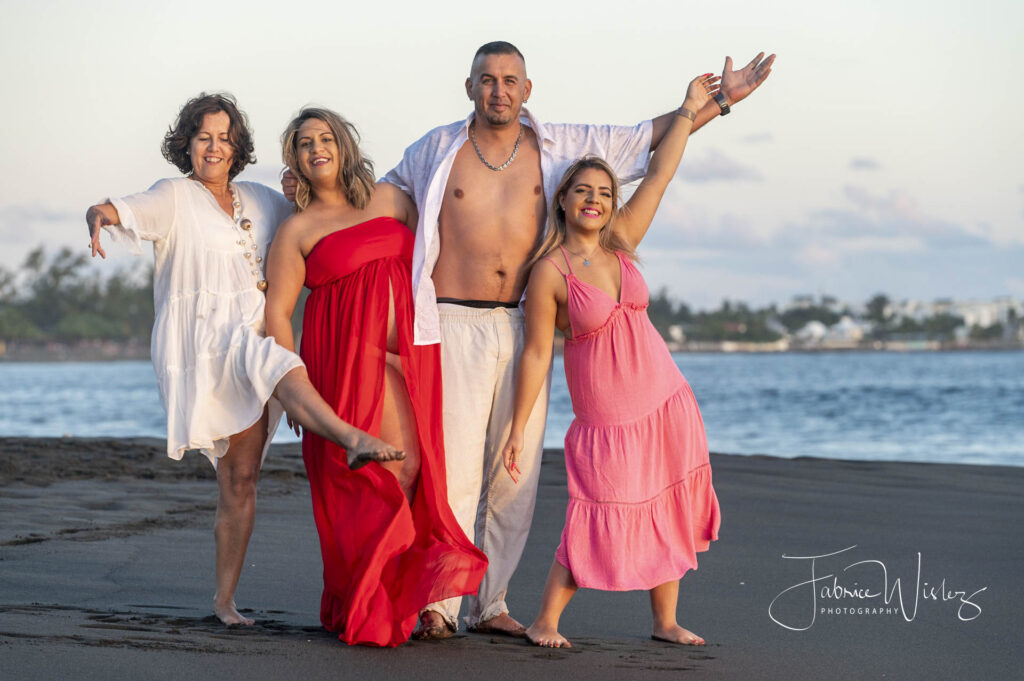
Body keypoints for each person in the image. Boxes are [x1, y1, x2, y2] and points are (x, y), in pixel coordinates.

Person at [284, 41, 773, 637]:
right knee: (455, 469)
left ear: (527, 89)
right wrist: (309, 193)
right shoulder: (435, 150)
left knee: (514, 475)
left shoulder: (561, 145)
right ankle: (440, 605)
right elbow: (371, 204)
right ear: (469, 88)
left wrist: (718, 102)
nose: (499, 91)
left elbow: (649, 140)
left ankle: (491, 605)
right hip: (453, 322)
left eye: (510, 80)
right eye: (487, 80)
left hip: (523, 322)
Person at [86, 93, 401, 627]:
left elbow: (317, 221)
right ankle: (349, 438)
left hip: (253, 336)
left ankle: (225, 600)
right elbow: (121, 209)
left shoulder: (260, 198)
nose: (214, 146)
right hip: (209, 345)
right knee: (247, 448)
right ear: (187, 144)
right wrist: (98, 217)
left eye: (224, 137)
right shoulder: (175, 196)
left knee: (245, 477)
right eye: (204, 136)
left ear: (238, 147)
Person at [501, 73, 723, 649]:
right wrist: (519, 429)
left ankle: (664, 621)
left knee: (668, 502)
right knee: (597, 512)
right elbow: (535, 357)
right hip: (608, 422)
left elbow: (662, 173)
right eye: (583, 191)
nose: (595, 200)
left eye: (603, 192)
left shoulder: (622, 241)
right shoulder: (549, 273)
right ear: (563, 200)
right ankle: (545, 620)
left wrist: (694, 109)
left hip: (665, 400)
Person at [264, 108, 487, 646]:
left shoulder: (391, 200)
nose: (316, 148)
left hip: (412, 360)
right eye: (303, 143)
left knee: (412, 469)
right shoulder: (297, 229)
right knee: (369, 475)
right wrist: (295, 391)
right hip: (341, 364)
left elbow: (435, 252)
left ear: (344, 145)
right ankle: (370, 599)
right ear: (293, 159)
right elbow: (276, 313)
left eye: (324, 138)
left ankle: (382, 593)